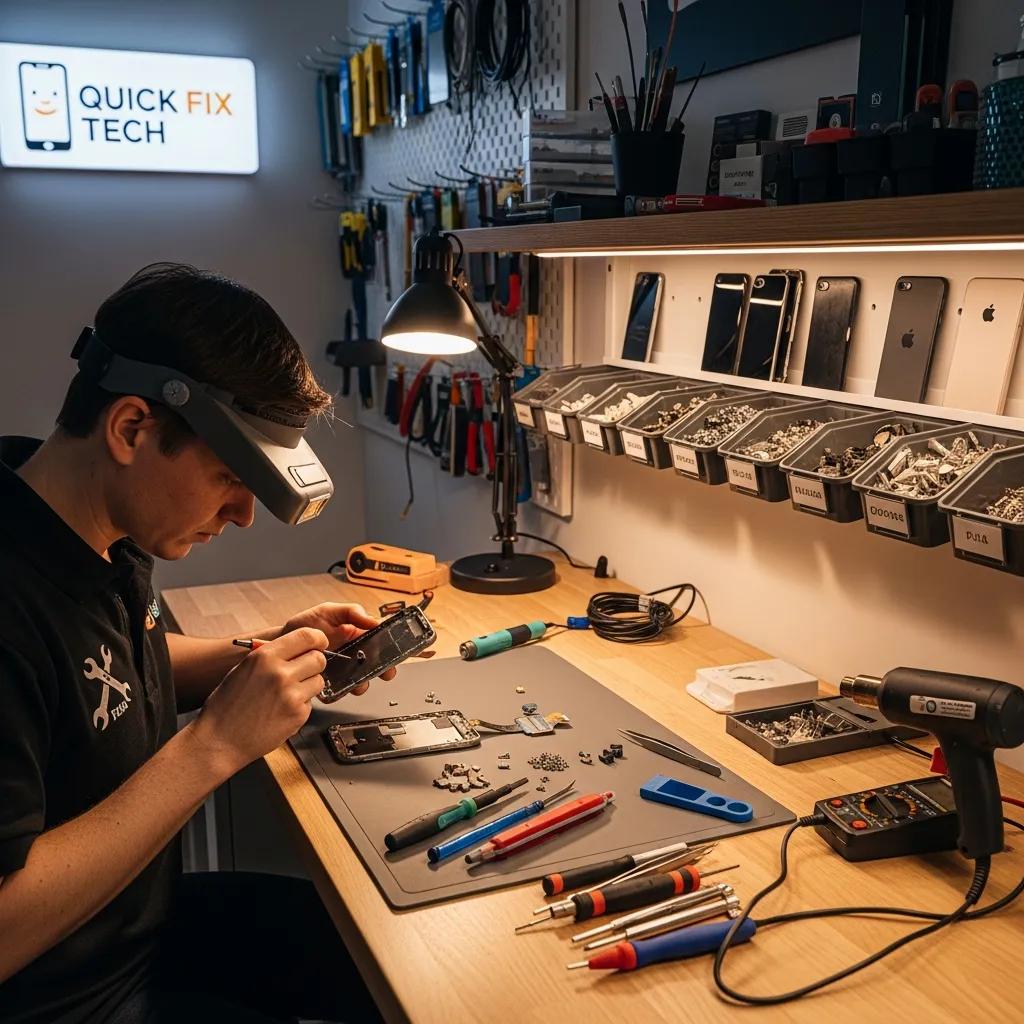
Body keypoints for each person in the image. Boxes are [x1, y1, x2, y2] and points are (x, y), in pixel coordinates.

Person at [0, 263, 388, 1024]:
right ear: (132, 428)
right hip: (66, 997)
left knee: (383, 959)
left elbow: (105, 677)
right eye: (226, 478)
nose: (243, 514)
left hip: (141, 929)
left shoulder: (99, 528)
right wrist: (214, 745)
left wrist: (264, 653)